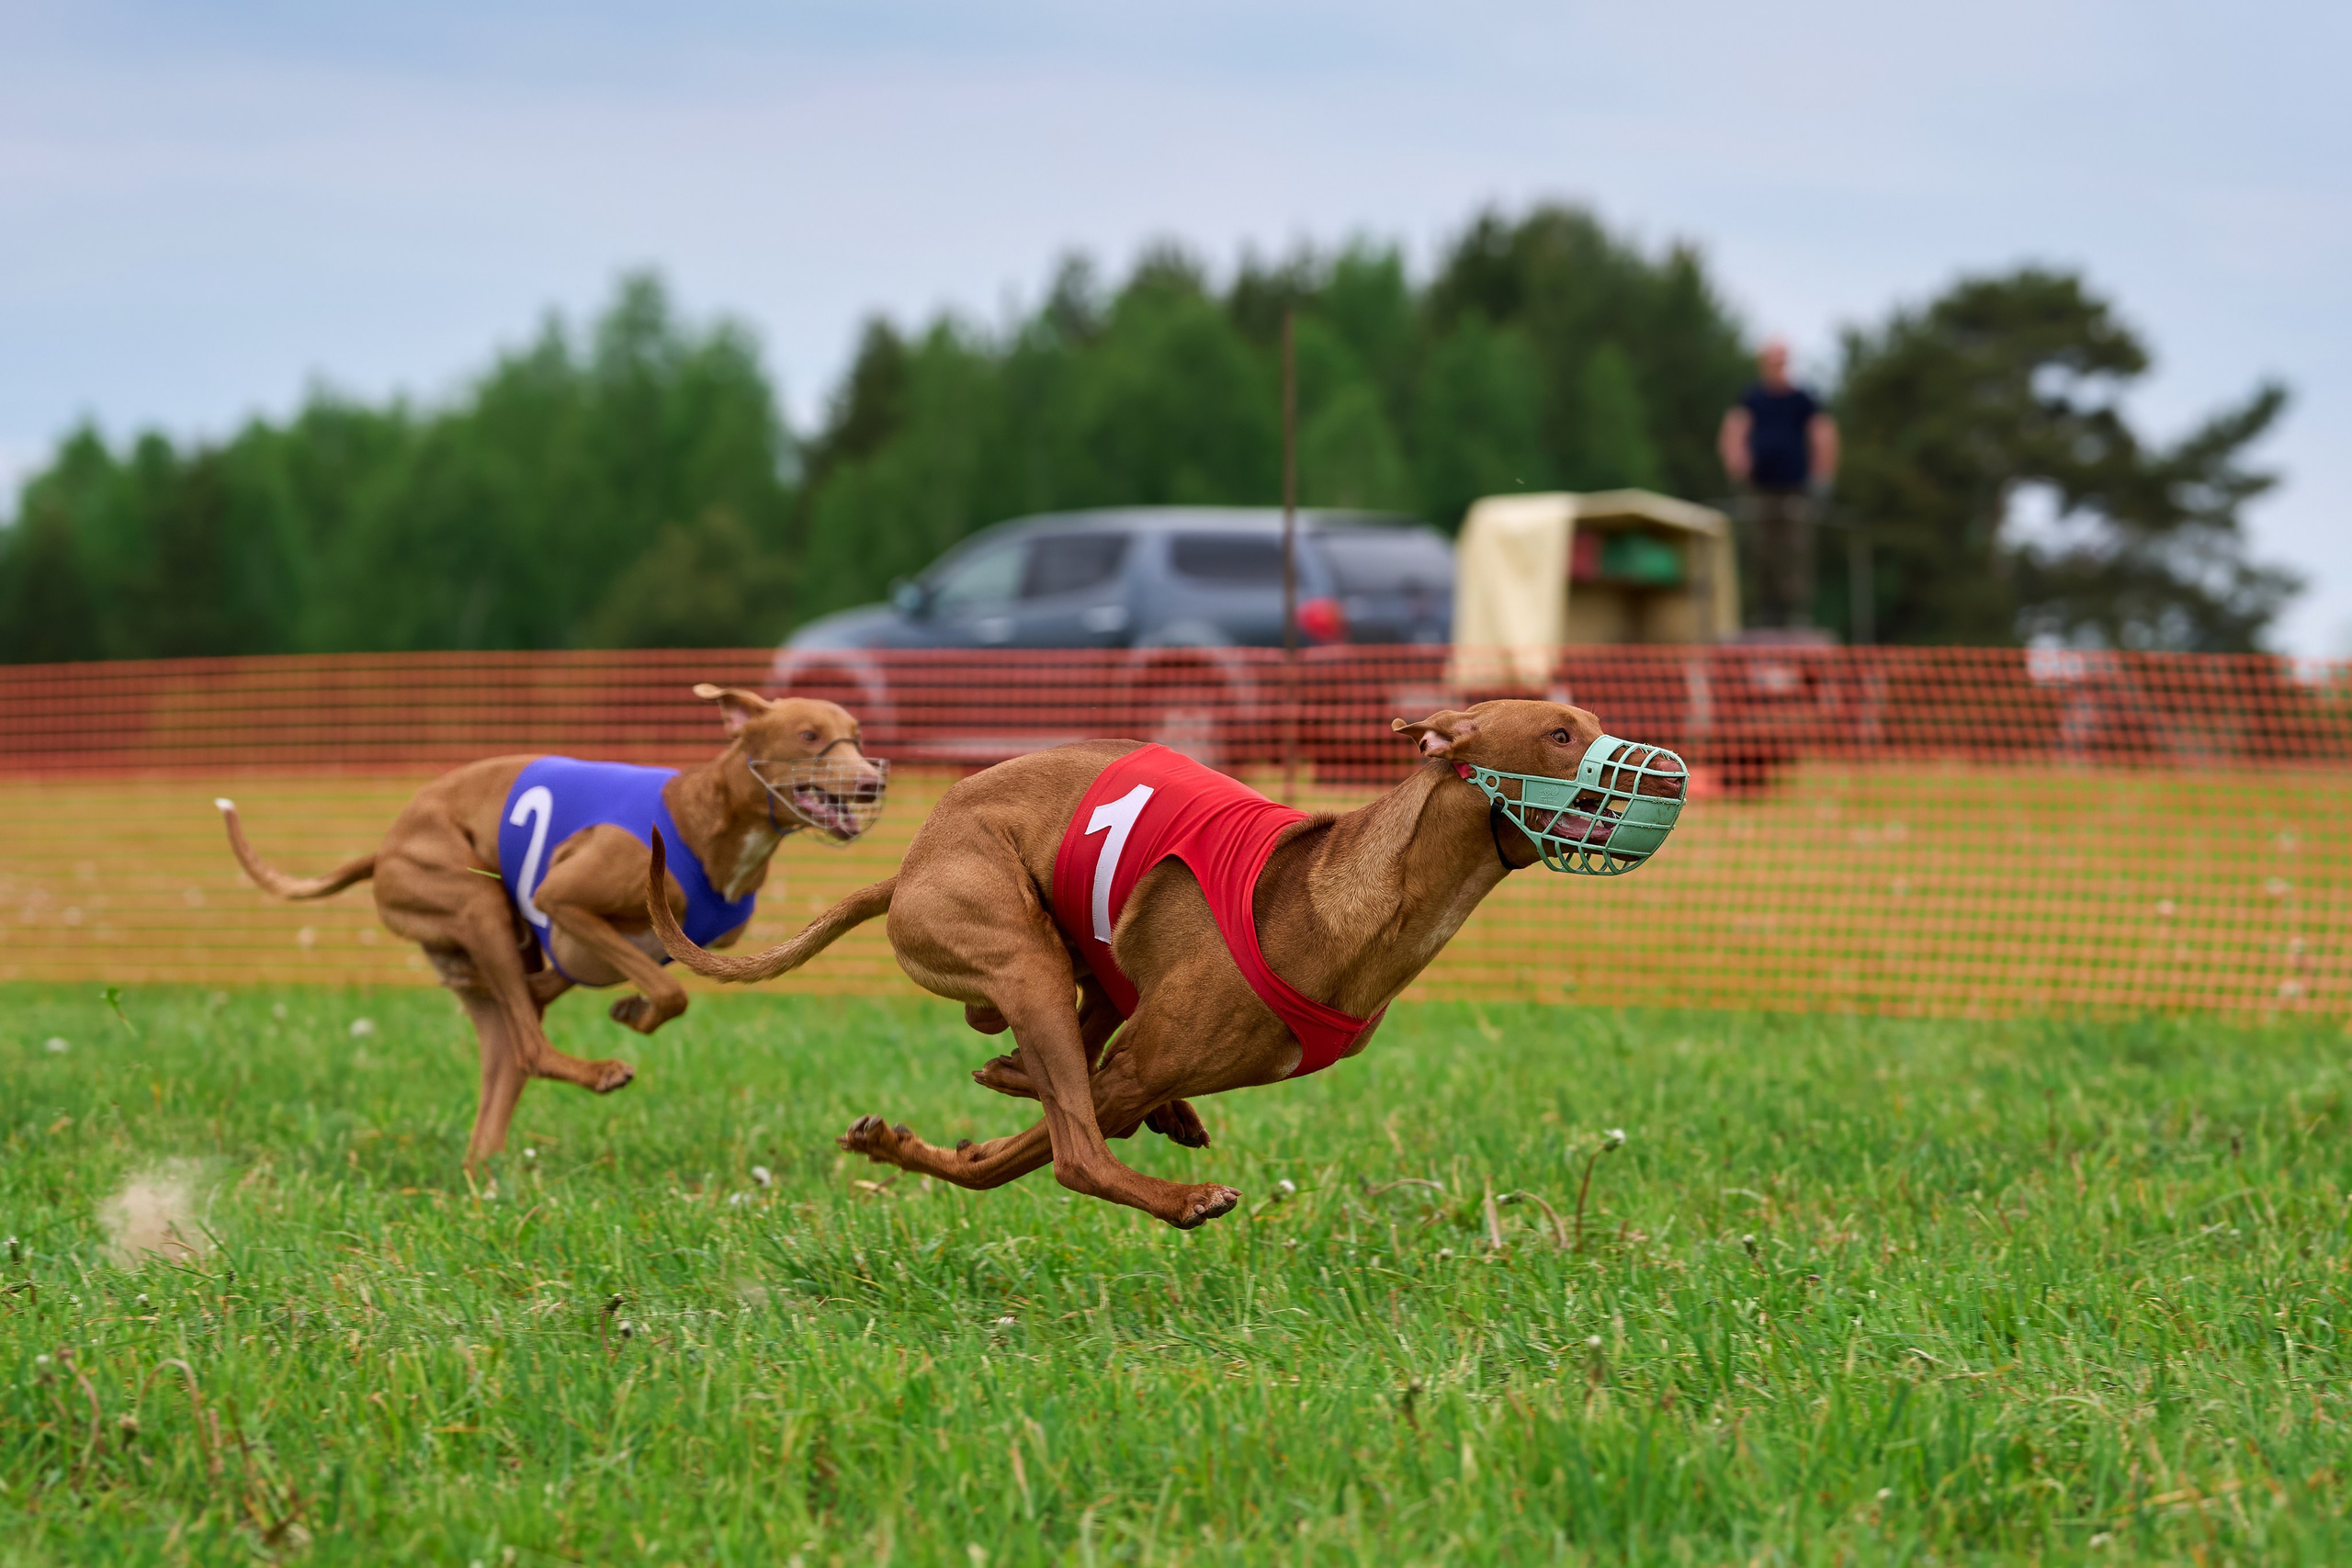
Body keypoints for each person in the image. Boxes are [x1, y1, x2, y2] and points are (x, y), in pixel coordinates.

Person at [1718, 340, 1838, 629]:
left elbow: (1823, 433)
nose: (1777, 367)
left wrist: (1823, 475)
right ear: (1763, 364)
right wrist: (1737, 466)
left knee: (1796, 550)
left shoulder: (1803, 398)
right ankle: (1766, 613)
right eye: (1772, 362)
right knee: (1761, 549)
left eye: (1781, 362)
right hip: (1760, 488)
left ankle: (1795, 614)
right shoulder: (1752, 397)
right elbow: (1734, 430)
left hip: (1796, 487)